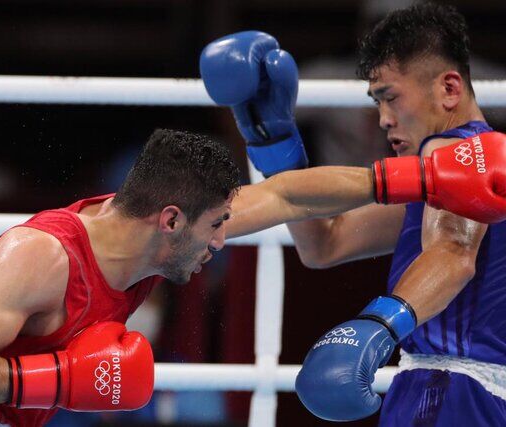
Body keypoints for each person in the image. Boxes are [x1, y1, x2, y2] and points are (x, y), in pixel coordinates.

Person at [200, 2, 506, 425]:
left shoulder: (456, 148)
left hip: (453, 391)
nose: (383, 119)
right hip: (445, 386)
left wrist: (378, 325)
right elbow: (326, 243)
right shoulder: (445, 182)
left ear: (449, 89)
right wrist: (279, 148)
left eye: (390, 98)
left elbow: (454, 252)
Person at [0, 128, 241, 426]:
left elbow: (278, 199)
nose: (222, 240)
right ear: (171, 220)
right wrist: (63, 380)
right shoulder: (42, 254)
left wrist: (271, 136)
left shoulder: (154, 240)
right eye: (216, 225)